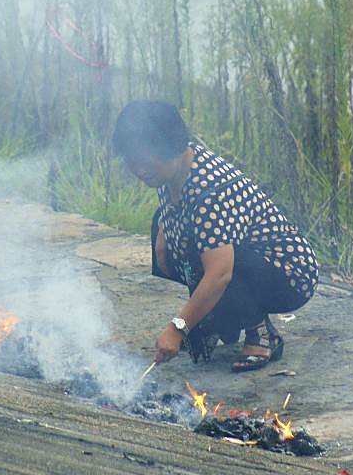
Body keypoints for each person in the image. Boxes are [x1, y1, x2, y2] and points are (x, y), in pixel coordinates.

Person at [113, 101, 319, 371]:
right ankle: (217, 319)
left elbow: (220, 274)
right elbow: (175, 223)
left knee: (221, 261)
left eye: (145, 160)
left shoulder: (209, 190)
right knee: (172, 233)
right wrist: (163, 248)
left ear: (170, 147)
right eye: (133, 161)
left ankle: (261, 332)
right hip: (233, 259)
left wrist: (178, 328)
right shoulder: (171, 173)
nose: (139, 170)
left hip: (287, 272)